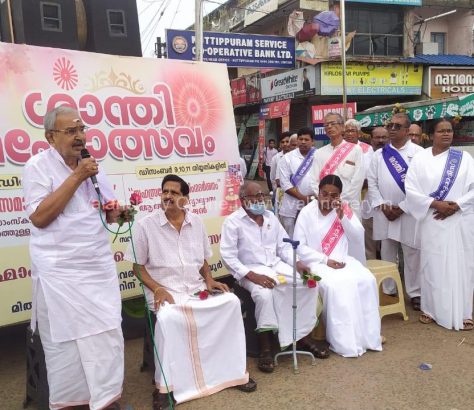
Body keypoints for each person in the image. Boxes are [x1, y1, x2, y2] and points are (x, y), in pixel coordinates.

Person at [22, 106, 127, 410]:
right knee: (65, 347)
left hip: (97, 267)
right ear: (51, 137)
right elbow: (40, 217)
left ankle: (106, 398)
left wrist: (119, 213)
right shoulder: (37, 166)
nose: (80, 136)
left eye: (82, 130)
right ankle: (75, 403)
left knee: (108, 335)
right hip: (60, 275)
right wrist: (77, 176)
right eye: (71, 131)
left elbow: (108, 207)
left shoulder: (92, 165)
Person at [126, 174, 256, 409]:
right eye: (165, 191)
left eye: (174, 193)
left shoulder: (196, 222)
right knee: (168, 317)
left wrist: (209, 279)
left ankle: (233, 372)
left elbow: (203, 259)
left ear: (185, 199)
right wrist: (157, 289)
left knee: (231, 303)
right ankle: (164, 387)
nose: (168, 196)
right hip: (164, 290)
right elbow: (137, 266)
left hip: (194, 288)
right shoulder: (145, 225)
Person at [220, 181, 328, 374]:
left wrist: (298, 264)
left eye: (262, 196)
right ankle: (266, 348)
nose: (261, 200)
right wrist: (253, 276)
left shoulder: (270, 217)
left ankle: (301, 336)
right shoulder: (233, 222)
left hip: (275, 265)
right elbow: (228, 256)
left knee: (308, 284)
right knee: (264, 295)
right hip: (248, 271)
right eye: (256, 197)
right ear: (243, 200)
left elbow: (283, 247)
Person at [294, 174, 383, 357]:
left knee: (367, 280)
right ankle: (345, 341)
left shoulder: (344, 209)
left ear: (339, 196)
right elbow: (299, 246)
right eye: (324, 194)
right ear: (318, 193)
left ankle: (368, 336)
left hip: (343, 259)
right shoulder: (307, 212)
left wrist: (343, 217)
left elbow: (358, 236)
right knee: (338, 286)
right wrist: (326, 260)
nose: (328, 198)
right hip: (318, 262)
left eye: (333, 195)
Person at [405, 118, 474, 331]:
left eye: (449, 130)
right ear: (431, 135)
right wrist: (436, 204)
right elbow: (411, 190)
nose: (446, 134)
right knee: (432, 266)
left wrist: (455, 206)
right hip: (432, 219)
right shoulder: (420, 159)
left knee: (462, 265)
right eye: (441, 131)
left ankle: (464, 312)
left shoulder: (464, 158)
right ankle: (430, 309)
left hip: (460, 219)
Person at [368, 113, 423, 307]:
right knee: (387, 253)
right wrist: (383, 205)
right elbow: (372, 183)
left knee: (412, 253)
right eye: (390, 125)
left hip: (409, 212)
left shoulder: (419, 153)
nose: (391, 129)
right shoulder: (378, 155)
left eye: (397, 126)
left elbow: (422, 186)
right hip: (385, 212)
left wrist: (402, 207)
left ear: (407, 131)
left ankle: (415, 293)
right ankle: (389, 290)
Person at [310, 113, 365, 216]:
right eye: (326, 125)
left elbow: (358, 180)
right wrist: (325, 199)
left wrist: (340, 200)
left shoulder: (355, 150)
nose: (329, 127)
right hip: (325, 206)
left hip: (349, 206)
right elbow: (313, 180)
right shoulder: (319, 153)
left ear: (342, 126)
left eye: (332, 123)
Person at [278, 127, 317, 237]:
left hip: (314, 203)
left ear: (312, 141)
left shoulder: (319, 156)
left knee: (311, 235)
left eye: (306, 139)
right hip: (291, 205)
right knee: (290, 237)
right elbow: (284, 183)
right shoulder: (287, 158)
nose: (303, 142)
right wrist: (303, 198)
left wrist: (313, 198)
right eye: (300, 139)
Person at [363, 127, 390, 259]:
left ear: (389, 138)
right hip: (368, 208)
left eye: (384, 137)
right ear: (371, 139)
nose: (380, 140)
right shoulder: (363, 156)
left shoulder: (394, 156)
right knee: (369, 248)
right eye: (377, 137)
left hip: (390, 208)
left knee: (388, 247)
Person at [270, 132, 291, 214]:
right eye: (282, 142)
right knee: (279, 213)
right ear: (279, 144)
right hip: (280, 191)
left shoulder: (296, 156)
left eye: (287, 141)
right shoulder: (276, 158)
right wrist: (276, 190)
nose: (285, 144)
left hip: (295, 192)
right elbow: (272, 176)